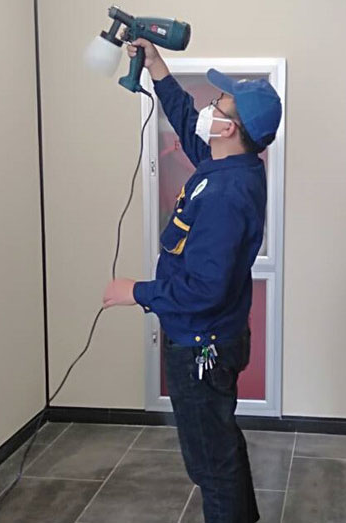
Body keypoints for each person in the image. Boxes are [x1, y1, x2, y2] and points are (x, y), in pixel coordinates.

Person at [101, 37, 282, 523]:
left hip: (202, 346)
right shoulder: (229, 164)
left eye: (217, 103)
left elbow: (205, 290)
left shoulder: (226, 193)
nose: (207, 107)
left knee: (211, 465)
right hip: (214, 338)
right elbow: (184, 117)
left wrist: (136, 292)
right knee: (221, 449)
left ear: (229, 127)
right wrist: (158, 67)